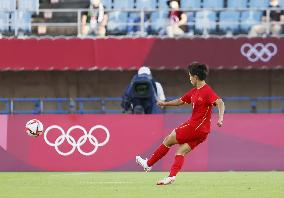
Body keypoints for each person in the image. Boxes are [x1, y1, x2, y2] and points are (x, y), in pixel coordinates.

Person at [136, 62, 225, 185]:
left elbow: (220, 102)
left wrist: (220, 118)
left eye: (190, 76)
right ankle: (171, 177)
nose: (189, 78)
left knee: (168, 139)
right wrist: (165, 103)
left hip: (195, 127)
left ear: (196, 77)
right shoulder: (194, 91)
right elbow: (180, 101)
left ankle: (148, 164)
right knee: (181, 152)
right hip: (202, 132)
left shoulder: (207, 91)